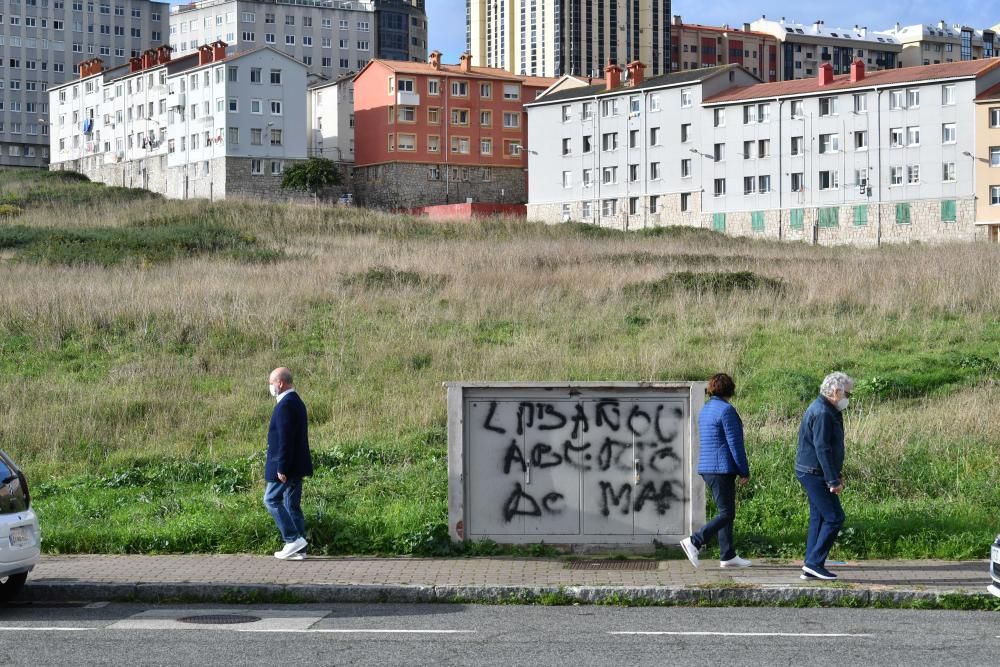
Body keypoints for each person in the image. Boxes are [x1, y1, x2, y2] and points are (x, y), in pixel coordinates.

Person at [680, 373, 752, 569]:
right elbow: (735, 444)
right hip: (721, 468)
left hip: (708, 467)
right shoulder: (726, 410)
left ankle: (727, 555)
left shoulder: (705, 410)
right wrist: (744, 471)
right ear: (730, 389)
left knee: (724, 511)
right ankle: (695, 541)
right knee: (727, 513)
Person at [795, 371, 854, 581]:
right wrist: (832, 480)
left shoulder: (826, 409)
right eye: (848, 394)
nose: (848, 398)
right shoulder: (823, 413)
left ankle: (810, 565)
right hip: (815, 473)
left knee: (819, 517)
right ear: (836, 392)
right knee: (835, 517)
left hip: (812, 470)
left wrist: (835, 473)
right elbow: (822, 448)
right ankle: (814, 563)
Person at [265, 367, 313, 560]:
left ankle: (292, 539)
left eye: (271, 383)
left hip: (285, 465)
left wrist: (282, 467)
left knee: (271, 500)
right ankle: (299, 549)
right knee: (291, 505)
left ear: (280, 383)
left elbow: (286, 439)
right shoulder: (296, 401)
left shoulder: (285, 405)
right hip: (297, 463)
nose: (270, 387)